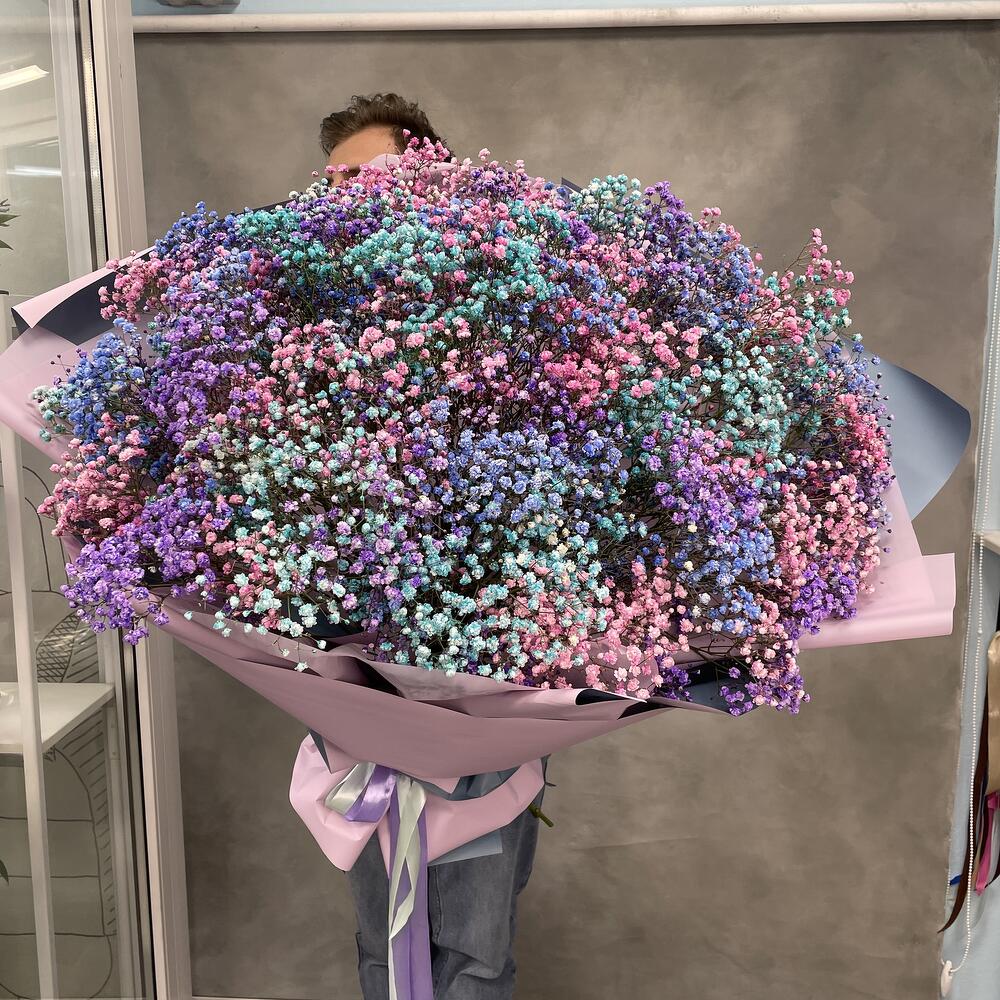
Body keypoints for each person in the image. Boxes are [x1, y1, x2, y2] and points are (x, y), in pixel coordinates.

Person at [317, 92, 548, 1000]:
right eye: (332, 182)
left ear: (432, 176)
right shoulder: (310, 326)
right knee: (382, 939)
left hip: (484, 686)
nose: (345, 194)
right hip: (359, 682)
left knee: (476, 948)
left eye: (365, 174)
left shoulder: (510, 314)